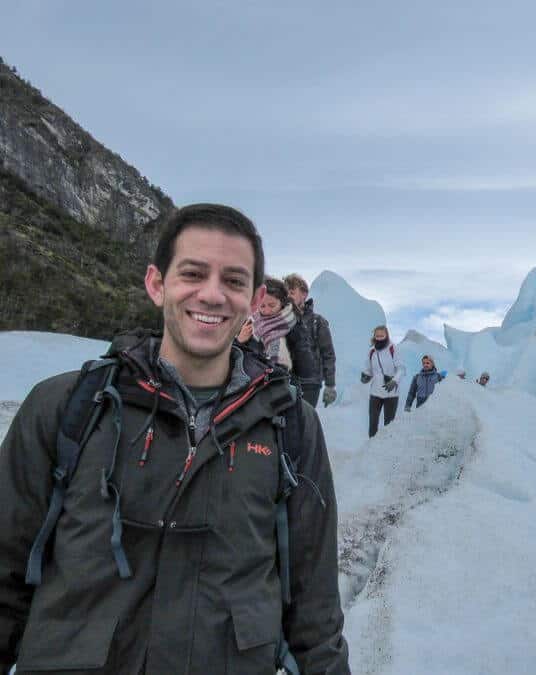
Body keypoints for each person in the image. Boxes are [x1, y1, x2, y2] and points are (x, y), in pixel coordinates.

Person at [0, 204, 349, 675]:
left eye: (233, 280)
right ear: (156, 284)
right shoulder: (68, 406)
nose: (212, 294)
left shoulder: (291, 426)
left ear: (251, 301)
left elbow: (315, 609)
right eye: (193, 273)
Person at [283, 274, 336, 408]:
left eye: (292, 292)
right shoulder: (280, 320)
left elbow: (328, 353)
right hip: (284, 381)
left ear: (304, 294)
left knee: (304, 423)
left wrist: (330, 385)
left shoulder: (317, 322)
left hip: (309, 384)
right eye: (285, 293)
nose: (288, 296)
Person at [236, 276, 295, 371]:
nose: (267, 311)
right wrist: (239, 341)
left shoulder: (295, 328)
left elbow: (303, 366)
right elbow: (229, 359)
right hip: (251, 379)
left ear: (282, 303)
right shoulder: (248, 323)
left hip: (280, 380)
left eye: (272, 305)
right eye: (262, 306)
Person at [361, 325, 404, 438]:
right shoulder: (372, 352)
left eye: (382, 335)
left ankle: (387, 450)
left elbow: (401, 369)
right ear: (374, 336)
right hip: (375, 393)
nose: (379, 338)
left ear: (386, 336)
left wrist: (394, 381)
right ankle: (371, 448)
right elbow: (369, 369)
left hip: (391, 393)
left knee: (389, 425)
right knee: (373, 423)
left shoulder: (392, 349)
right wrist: (366, 376)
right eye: (377, 336)